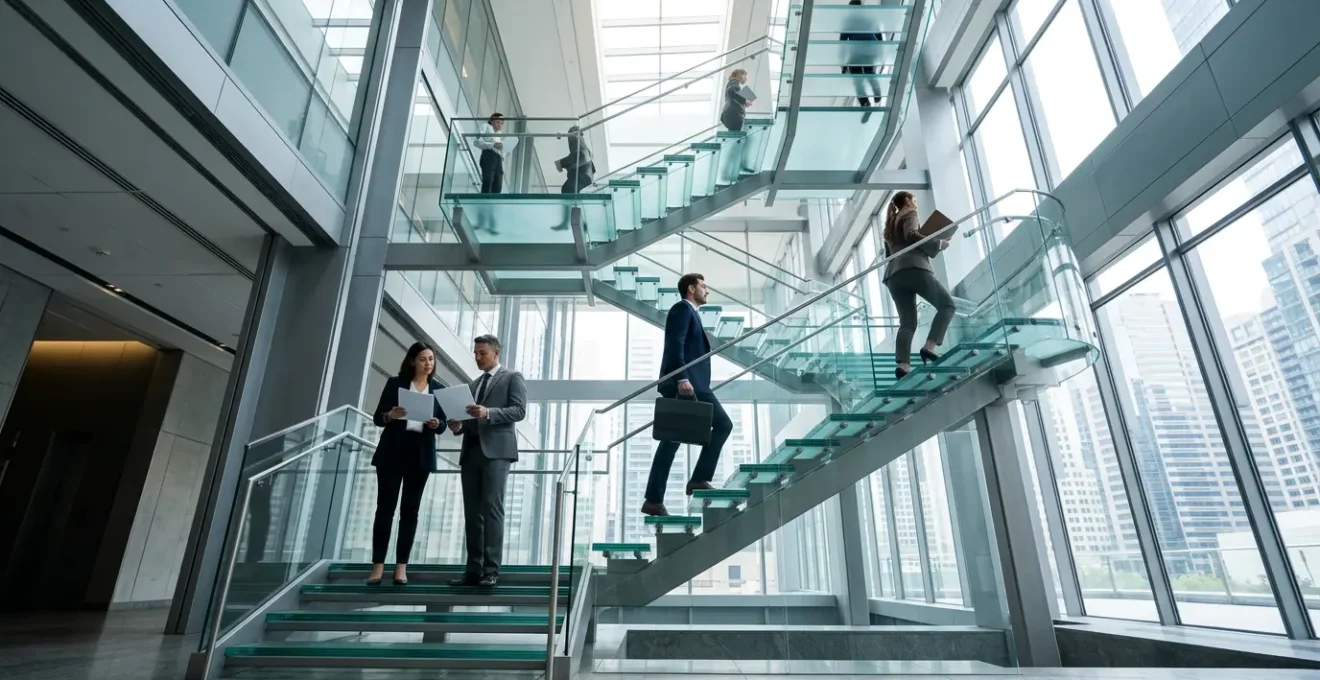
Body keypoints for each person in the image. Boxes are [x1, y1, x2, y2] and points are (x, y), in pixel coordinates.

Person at [641, 273, 734, 517]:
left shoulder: (692, 313)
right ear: (691, 288)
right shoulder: (681, 309)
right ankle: (697, 479)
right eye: (704, 286)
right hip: (688, 384)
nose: (707, 291)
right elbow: (675, 343)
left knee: (671, 441)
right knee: (723, 424)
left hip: (694, 384)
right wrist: (682, 377)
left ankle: (654, 499)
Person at [446, 335, 527, 587]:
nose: (477, 357)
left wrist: (488, 412)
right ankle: (473, 570)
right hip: (470, 451)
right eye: (476, 353)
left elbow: (519, 410)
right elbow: (467, 419)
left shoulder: (512, 378)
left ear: (496, 353)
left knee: (492, 509)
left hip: (497, 452)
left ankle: (491, 570)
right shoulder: (473, 384)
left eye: (482, 353)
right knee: (472, 513)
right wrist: (458, 425)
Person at [367, 341, 446, 586]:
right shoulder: (395, 384)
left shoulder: (438, 389)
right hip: (392, 451)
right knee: (385, 509)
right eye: (423, 359)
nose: (428, 364)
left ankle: (401, 567)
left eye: (431, 359)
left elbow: (443, 424)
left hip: (420, 454)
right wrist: (390, 415)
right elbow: (378, 418)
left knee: (410, 511)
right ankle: (378, 566)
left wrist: (436, 424)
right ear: (412, 360)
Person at [882, 191, 956, 381]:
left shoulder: (889, 226)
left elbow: (889, 255)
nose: (915, 204)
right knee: (947, 305)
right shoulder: (909, 213)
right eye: (914, 200)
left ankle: (903, 365)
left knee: (907, 323)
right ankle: (929, 347)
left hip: (893, 276)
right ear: (907, 201)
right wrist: (938, 243)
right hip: (915, 268)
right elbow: (912, 235)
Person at [840, 0, 883, 109]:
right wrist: (879, 50)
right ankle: (877, 93)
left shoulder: (848, 22)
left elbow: (842, 43)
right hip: (870, 50)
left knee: (857, 78)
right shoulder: (869, 18)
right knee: (869, 72)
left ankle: (864, 102)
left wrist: (844, 64)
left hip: (857, 52)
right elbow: (879, 35)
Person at [473, 113, 516, 194]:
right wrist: (492, 145)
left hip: (498, 157)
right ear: (492, 121)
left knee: (498, 180)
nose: (500, 124)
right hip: (489, 155)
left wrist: (504, 148)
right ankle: (485, 198)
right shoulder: (486, 126)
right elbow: (477, 142)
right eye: (498, 122)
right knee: (488, 179)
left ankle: (494, 201)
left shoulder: (499, 134)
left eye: (501, 123)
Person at [555, 125, 596, 193]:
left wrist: (561, 163)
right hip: (583, 178)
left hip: (581, 178)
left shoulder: (581, 147)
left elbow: (581, 155)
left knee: (567, 190)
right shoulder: (584, 149)